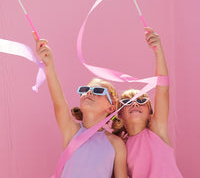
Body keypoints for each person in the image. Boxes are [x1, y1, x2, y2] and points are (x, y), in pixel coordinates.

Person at [32, 32, 127, 178]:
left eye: (97, 90)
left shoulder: (116, 143)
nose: (89, 92)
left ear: (111, 108)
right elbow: (59, 102)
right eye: (85, 90)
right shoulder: (72, 130)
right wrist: (49, 64)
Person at [112, 27, 183, 178]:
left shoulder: (157, 130)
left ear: (150, 114)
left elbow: (162, 88)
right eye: (127, 101)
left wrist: (158, 51)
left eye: (142, 100)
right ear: (120, 114)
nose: (135, 104)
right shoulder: (121, 147)